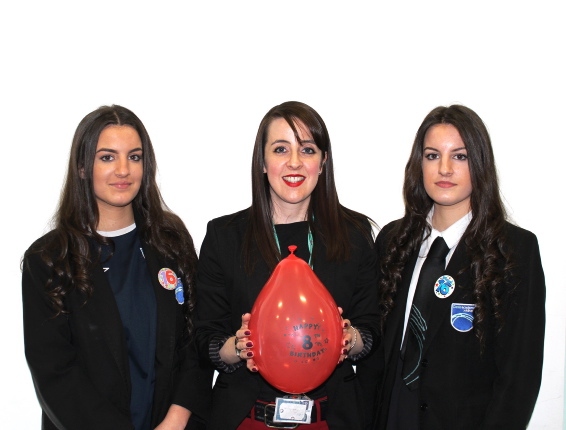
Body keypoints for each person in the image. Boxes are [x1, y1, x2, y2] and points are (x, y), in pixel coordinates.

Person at [21, 105, 212, 430]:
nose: (123, 170)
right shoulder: (49, 259)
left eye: (134, 157)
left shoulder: (172, 241)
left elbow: (195, 341)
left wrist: (177, 418)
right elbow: (55, 373)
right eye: (107, 157)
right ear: (82, 167)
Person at [194, 101, 379, 429]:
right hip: (246, 418)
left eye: (307, 150)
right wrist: (238, 346)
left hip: (331, 417)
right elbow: (205, 337)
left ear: (323, 162)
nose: (294, 162)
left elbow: (371, 330)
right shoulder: (224, 237)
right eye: (281, 149)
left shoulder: (355, 235)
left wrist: (349, 339)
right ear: (263, 162)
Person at [360, 104, 545, 429]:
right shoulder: (392, 240)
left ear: (480, 163)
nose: (444, 168)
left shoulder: (514, 250)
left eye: (459, 156)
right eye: (432, 156)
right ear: (419, 165)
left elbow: (519, 375)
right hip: (389, 416)